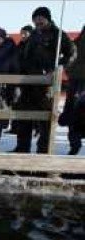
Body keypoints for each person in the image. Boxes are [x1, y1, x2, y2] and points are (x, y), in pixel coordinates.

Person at [14, 6, 76, 153]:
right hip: (28, 83)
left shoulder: (57, 34)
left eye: (41, 17)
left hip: (45, 84)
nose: (38, 20)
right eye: (35, 18)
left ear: (47, 18)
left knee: (45, 120)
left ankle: (43, 152)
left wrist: (57, 68)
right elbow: (24, 55)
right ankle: (22, 150)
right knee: (23, 118)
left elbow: (72, 53)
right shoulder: (33, 35)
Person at [6, 25, 34, 135]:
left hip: (28, 79)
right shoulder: (20, 45)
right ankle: (15, 127)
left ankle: (27, 128)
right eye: (21, 33)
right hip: (17, 78)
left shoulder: (33, 46)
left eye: (25, 33)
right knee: (15, 102)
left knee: (25, 105)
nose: (22, 35)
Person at [62, 25, 85, 155]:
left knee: (73, 115)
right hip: (76, 82)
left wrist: (70, 72)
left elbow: (66, 60)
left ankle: (74, 145)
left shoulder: (74, 44)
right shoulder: (75, 44)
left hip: (75, 82)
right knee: (75, 114)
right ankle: (74, 145)